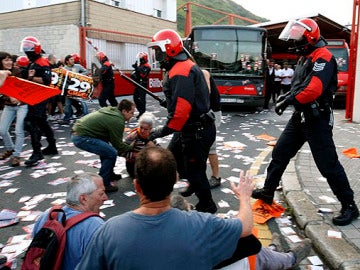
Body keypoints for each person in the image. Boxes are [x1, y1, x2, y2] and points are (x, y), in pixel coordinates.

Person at [252, 18, 359, 226]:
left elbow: (314, 89)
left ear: (309, 37)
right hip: (300, 117)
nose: (293, 42)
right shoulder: (305, 57)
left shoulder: (324, 57)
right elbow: (299, 85)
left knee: (328, 166)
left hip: (317, 118)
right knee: (280, 153)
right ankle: (267, 192)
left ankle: (350, 205)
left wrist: (290, 99)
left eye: (297, 38)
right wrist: (289, 97)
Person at [76, 146, 254, 269]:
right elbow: (245, 227)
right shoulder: (203, 223)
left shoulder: (109, 231)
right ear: (175, 180)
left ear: (137, 186)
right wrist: (245, 197)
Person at [147, 29, 218, 213]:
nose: (156, 55)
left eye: (158, 50)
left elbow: (180, 113)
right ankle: (193, 181)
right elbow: (187, 101)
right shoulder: (183, 66)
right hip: (193, 127)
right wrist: (169, 102)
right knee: (173, 158)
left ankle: (207, 205)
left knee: (195, 170)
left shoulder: (180, 71)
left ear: (169, 49)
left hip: (195, 130)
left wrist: (160, 131)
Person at [170, 194, 312, 270]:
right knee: (257, 253)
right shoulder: (201, 230)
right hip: (243, 262)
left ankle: (274, 249)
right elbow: (250, 242)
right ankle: (290, 258)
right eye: (192, 209)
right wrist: (244, 198)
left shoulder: (155, 240)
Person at [31, 172, 107, 270]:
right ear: (83, 199)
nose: (105, 197)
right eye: (101, 193)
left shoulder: (48, 215)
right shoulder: (96, 227)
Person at [71, 99, 135, 192]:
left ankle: (109, 174)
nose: (132, 115)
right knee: (111, 153)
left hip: (80, 132)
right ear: (124, 111)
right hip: (81, 136)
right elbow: (118, 145)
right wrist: (131, 147)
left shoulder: (113, 112)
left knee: (106, 150)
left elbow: (112, 139)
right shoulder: (117, 120)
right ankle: (104, 183)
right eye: (131, 113)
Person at [20, 36, 58, 166]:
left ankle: (37, 152)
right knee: (42, 121)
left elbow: (47, 80)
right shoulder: (34, 61)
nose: (26, 50)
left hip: (39, 96)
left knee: (31, 122)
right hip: (34, 96)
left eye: (28, 47)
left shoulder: (42, 62)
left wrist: (32, 78)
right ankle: (52, 146)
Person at [0, 52, 28, 167]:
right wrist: (9, 97)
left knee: (18, 130)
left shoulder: (17, 71)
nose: (9, 62)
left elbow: (23, 87)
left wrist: (17, 98)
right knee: (2, 129)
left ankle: (16, 155)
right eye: (6, 60)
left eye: (10, 60)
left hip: (22, 105)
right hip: (8, 105)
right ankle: (10, 148)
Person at [202, 69, 222, 189]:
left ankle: (216, 177)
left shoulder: (203, 72)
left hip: (212, 113)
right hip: (204, 112)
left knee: (210, 146)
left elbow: (206, 92)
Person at [124, 112, 156, 178]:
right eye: (141, 127)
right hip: (134, 165)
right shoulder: (133, 136)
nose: (142, 131)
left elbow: (159, 152)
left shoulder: (152, 136)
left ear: (150, 129)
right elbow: (121, 151)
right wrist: (135, 155)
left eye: (146, 129)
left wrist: (154, 147)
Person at [62, 54, 89, 124]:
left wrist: (79, 76)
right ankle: (67, 118)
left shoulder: (78, 66)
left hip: (78, 89)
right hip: (69, 89)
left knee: (82, 102)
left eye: (73, 59)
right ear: (67, 61)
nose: (73, 60)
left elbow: (86, 71)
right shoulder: (64, 69)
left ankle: (87, 117)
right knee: (67, 104)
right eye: (71, 59)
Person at [131, 52, 151, 119]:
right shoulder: (140, 65)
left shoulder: (147, 66)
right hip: (138, 84)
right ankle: (140, 111)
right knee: (135, 98)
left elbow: (142, 75)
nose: (140, 59)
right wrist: (135, 67)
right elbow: (137, 74)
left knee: (142, 99)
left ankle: (143, 112)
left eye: (141, 58)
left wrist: (137, 68)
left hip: (143, 84)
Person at [47, 54, 65, 121]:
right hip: (50, 86)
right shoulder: (48, 66)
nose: (56, 60)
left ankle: (62, 113)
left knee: (59, 100)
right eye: (55, 58)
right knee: (50, 101)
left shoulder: (55, 65)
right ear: (52, 59)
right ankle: (49, 114)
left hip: (57, 86)